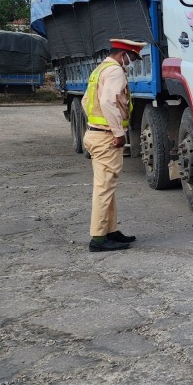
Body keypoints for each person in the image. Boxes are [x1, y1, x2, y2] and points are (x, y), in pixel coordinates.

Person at [82, 39, 147, 252]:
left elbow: (85, 102)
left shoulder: (100, 69)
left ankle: (109, 231)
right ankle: (98, 239)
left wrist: (95, 123)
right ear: (123, 54)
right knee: (103, 189)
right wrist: (118, 132)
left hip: (95, 135)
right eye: (133, 58)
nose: (133, 63)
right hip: (106, 138)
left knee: (107, 187)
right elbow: (108, 102)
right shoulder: (115, 71)